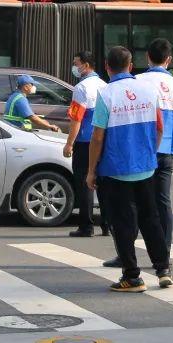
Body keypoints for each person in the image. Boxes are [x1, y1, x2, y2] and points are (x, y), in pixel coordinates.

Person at [87, 45, 171, 293]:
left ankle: (132, 276)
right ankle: (163, 269)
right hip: (146, 167)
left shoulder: (106, 94)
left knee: (123, 223)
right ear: (131, 65)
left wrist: (91, 169)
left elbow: (98, 137)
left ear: (106, 66)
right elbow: (159, 128)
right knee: (151, 219)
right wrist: (149, 153)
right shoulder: (148, 90)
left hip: (116, 170)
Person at [136, 38, 173, 248]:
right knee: (162, 201)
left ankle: (126, 253)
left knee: (136, 202)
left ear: (147, 57)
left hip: (141, 150)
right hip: (167, 150)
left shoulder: (137, 81)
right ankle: (164, 251)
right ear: (169, 59)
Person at [63, 51, 107, 237]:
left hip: (84, 142)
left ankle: (86, 226)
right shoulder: (105, 86)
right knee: (104, 183)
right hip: (103, 140)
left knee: (84, 184)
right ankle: (107, 225)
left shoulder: (81, 88)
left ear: (86, 65)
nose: (74, 67)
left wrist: (69, 143)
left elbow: (76, 119)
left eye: (76, 63)